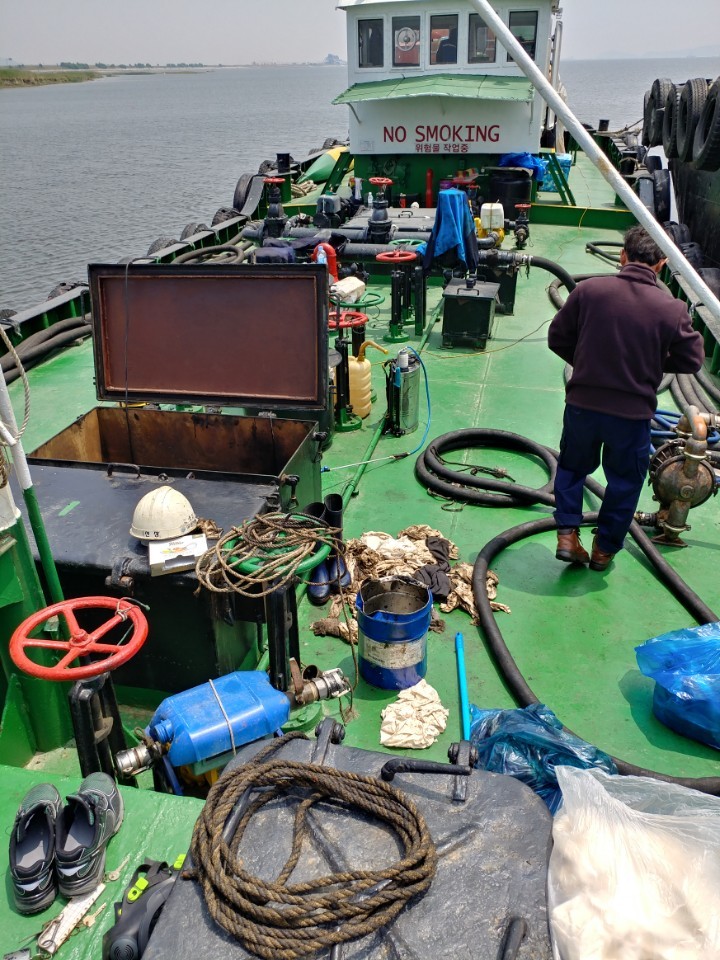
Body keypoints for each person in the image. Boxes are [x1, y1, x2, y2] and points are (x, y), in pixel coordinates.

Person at [548, 225, 705, 571]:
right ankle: (604, 549)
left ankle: (567, 535)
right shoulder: (672, 309)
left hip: (583, 405)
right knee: (624, 481)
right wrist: (654, 362)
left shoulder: (589, 291)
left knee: (573, 468)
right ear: (662, 263)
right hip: (631, 415)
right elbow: (692, 360)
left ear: (623, 255)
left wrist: (587, 365)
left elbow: (557, 338)